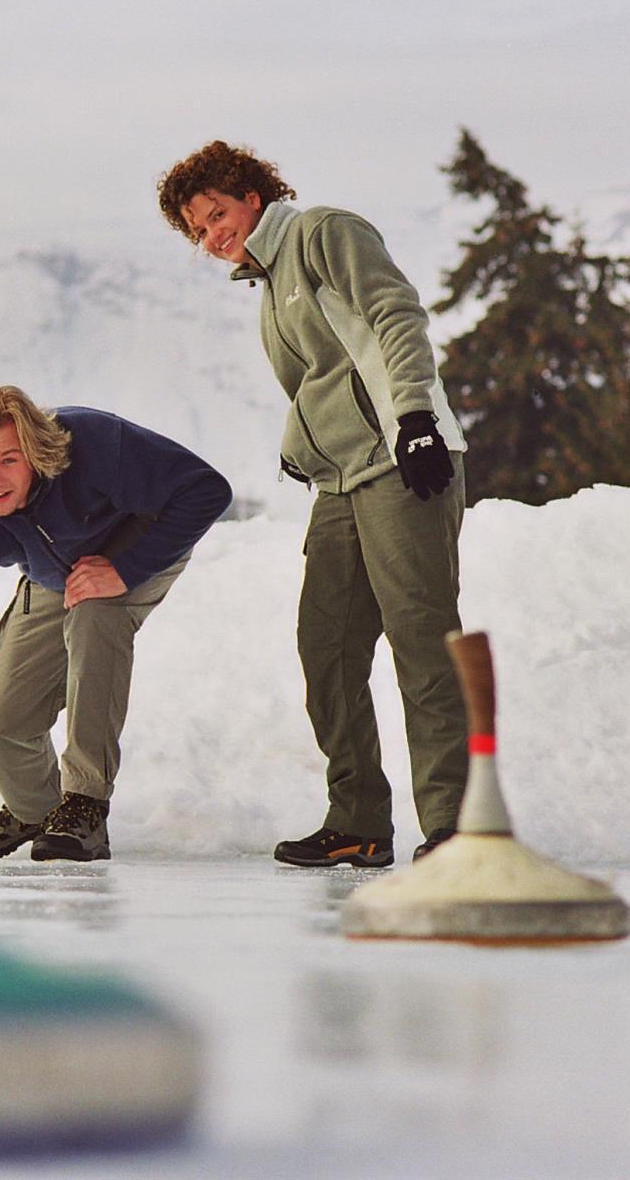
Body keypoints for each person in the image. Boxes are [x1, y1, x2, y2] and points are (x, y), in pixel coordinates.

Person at [156, 140, 468, 868]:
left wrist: (417, 419)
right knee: (326, 648)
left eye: (217, 214)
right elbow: (323, 381)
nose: (211, 235)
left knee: (421, 639)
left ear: (251, 197)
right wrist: (305, 445)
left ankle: (454, 825)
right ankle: (357, 819)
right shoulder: (267, 284)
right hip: (340, 481)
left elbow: (395, 316)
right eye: (197, 230)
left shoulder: (322, 232)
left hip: (403, 457)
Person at [0, 386, 230, 862]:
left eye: (9, 460)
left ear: (35, 451)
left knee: (95, 613)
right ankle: (36, 812)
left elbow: (206, 489)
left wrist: (125, 570)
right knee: (2, 716)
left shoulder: (93, 442)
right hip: (56, 570)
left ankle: (85, 804)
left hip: (141, 540)